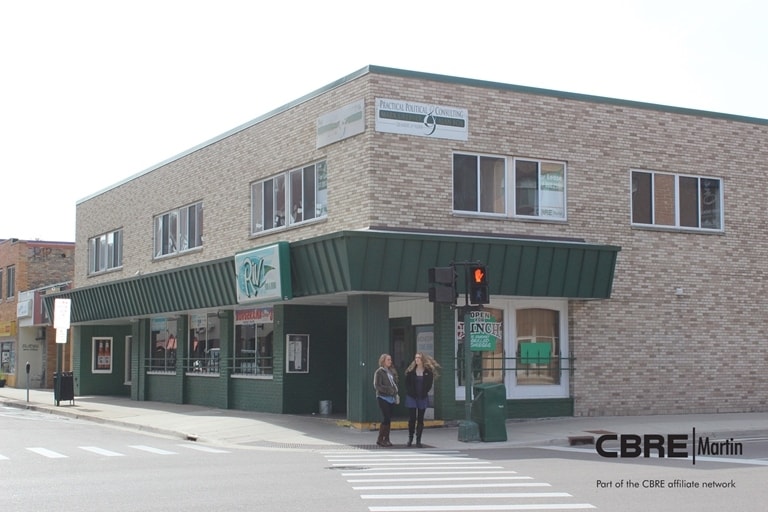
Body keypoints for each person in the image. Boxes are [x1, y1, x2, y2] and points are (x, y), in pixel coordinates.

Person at [404, 352, 440, 447]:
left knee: (420, 419)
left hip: (422, 397)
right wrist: (411, 392)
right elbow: (407, 384)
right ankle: (410, 438)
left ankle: (418, 440)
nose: (417, 359)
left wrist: (424, 392)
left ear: (422, 360)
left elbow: (429, 385)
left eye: (419, 358)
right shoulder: (410, 371)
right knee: (412, 418)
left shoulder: (428, 372)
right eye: (416, 358)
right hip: (412, 397)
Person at [373, 353, 399, 447]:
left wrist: (394, 390)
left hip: (391, 398)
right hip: (382, 397)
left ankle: (386, 439)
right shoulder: (379, 372)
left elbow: (394, 383)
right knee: (386, 417)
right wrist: (388, 390)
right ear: (383, 361)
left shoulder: (391, 371)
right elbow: (377, 386)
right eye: (388, 360)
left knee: (389, 419)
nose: (390, 361)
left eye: (390, 360)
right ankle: (380, 439)